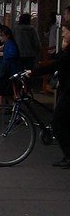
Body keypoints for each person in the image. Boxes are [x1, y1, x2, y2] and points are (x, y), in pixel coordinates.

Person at [25, 20, 70, 167]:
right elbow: (56, 59)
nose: (62, 34)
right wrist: (63, 48)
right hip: (65, 89)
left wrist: (33, 72)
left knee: (58, 122)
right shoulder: (67, 50)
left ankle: (68, 155)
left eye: (64, 32)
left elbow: (56, 65)